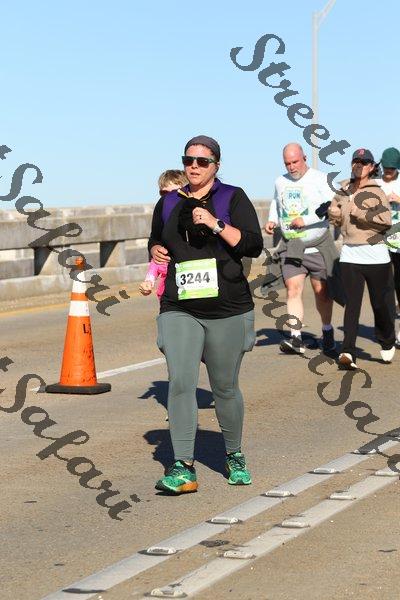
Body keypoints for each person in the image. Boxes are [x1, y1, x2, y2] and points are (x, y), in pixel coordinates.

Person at [148, 135, 263, 494]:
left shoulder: (232, 197)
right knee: (181, 382)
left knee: (224, 387)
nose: (194, 167)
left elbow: (253, 245)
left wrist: (215, 224)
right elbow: (156, 239)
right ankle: (183, 467)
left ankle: (234, 455)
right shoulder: (168, 202)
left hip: (227, 308)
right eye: (188, 160)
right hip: (180, 306)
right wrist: (155, 249)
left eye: (202, 161)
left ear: (216, 165)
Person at [264, 143, 336, 355]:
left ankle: (327, 331)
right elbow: (276, 202)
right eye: (287, 163)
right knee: (293, 289)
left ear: (304, 158)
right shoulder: (280, 181)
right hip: (292, 246)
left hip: (317, 246)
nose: (291, 167)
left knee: (321, 293)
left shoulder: (321, 179)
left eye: (295, 162)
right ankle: (296, 338)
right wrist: (272, 220)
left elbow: (332, 206)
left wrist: (306, 220)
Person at [328, 148, 395, 369]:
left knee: (380, 305)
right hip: (350, 253)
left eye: (364, 162)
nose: (359, 164)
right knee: (352, 305)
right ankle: (348, 351)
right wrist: (334, 214)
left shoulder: (377, 191)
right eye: (355, 161)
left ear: (372, 167)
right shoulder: (343, 189)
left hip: (375, 255)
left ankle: (387, 340)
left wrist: (361, 214)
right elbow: (337, 217)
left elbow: (385, 221)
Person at [139, 171, 188, 298]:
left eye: (175, 193)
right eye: (164, 193)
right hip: (169, 297)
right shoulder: (161, 218)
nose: (169, 198)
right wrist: (148, 282)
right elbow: (157, 261)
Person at [376, 148, 400, 329]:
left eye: (392, 168)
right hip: (380, 239)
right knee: (383, 282)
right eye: (386, 168)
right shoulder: (376, 183)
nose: (389, 171)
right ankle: (387, 322)